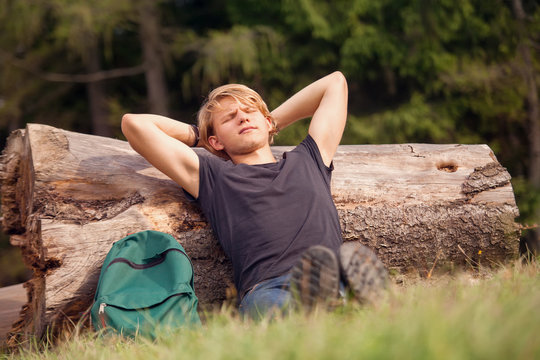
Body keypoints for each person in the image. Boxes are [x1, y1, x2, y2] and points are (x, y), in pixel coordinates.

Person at [121, 72, 387, 320]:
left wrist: (270, 122)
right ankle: (337, 306)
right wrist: (200, 136)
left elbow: (335, 83)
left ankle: (331, 302)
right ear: (216, 142)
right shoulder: (214, 176)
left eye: (249, 112)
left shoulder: (310, 158)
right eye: (229, 118)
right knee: (279, 310)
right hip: (269, 288)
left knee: (324, 293)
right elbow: (134, 124)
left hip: (331, 270)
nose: (243, 118)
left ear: (267, 121)